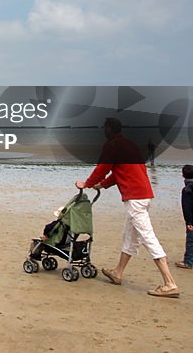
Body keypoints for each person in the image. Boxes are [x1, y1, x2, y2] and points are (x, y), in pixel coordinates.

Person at [75, 117, 180, 298]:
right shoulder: (130, 145)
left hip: (136, 199)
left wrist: (86, 184)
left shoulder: (112, 145)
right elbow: (119, 173)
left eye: (104, 128)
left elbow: (102, 168)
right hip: (144, 195)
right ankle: (117, 273)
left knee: (148, 238)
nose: (103, 131)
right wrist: (100, 186)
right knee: (130, 237)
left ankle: (170, 283)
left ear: (109, 129)